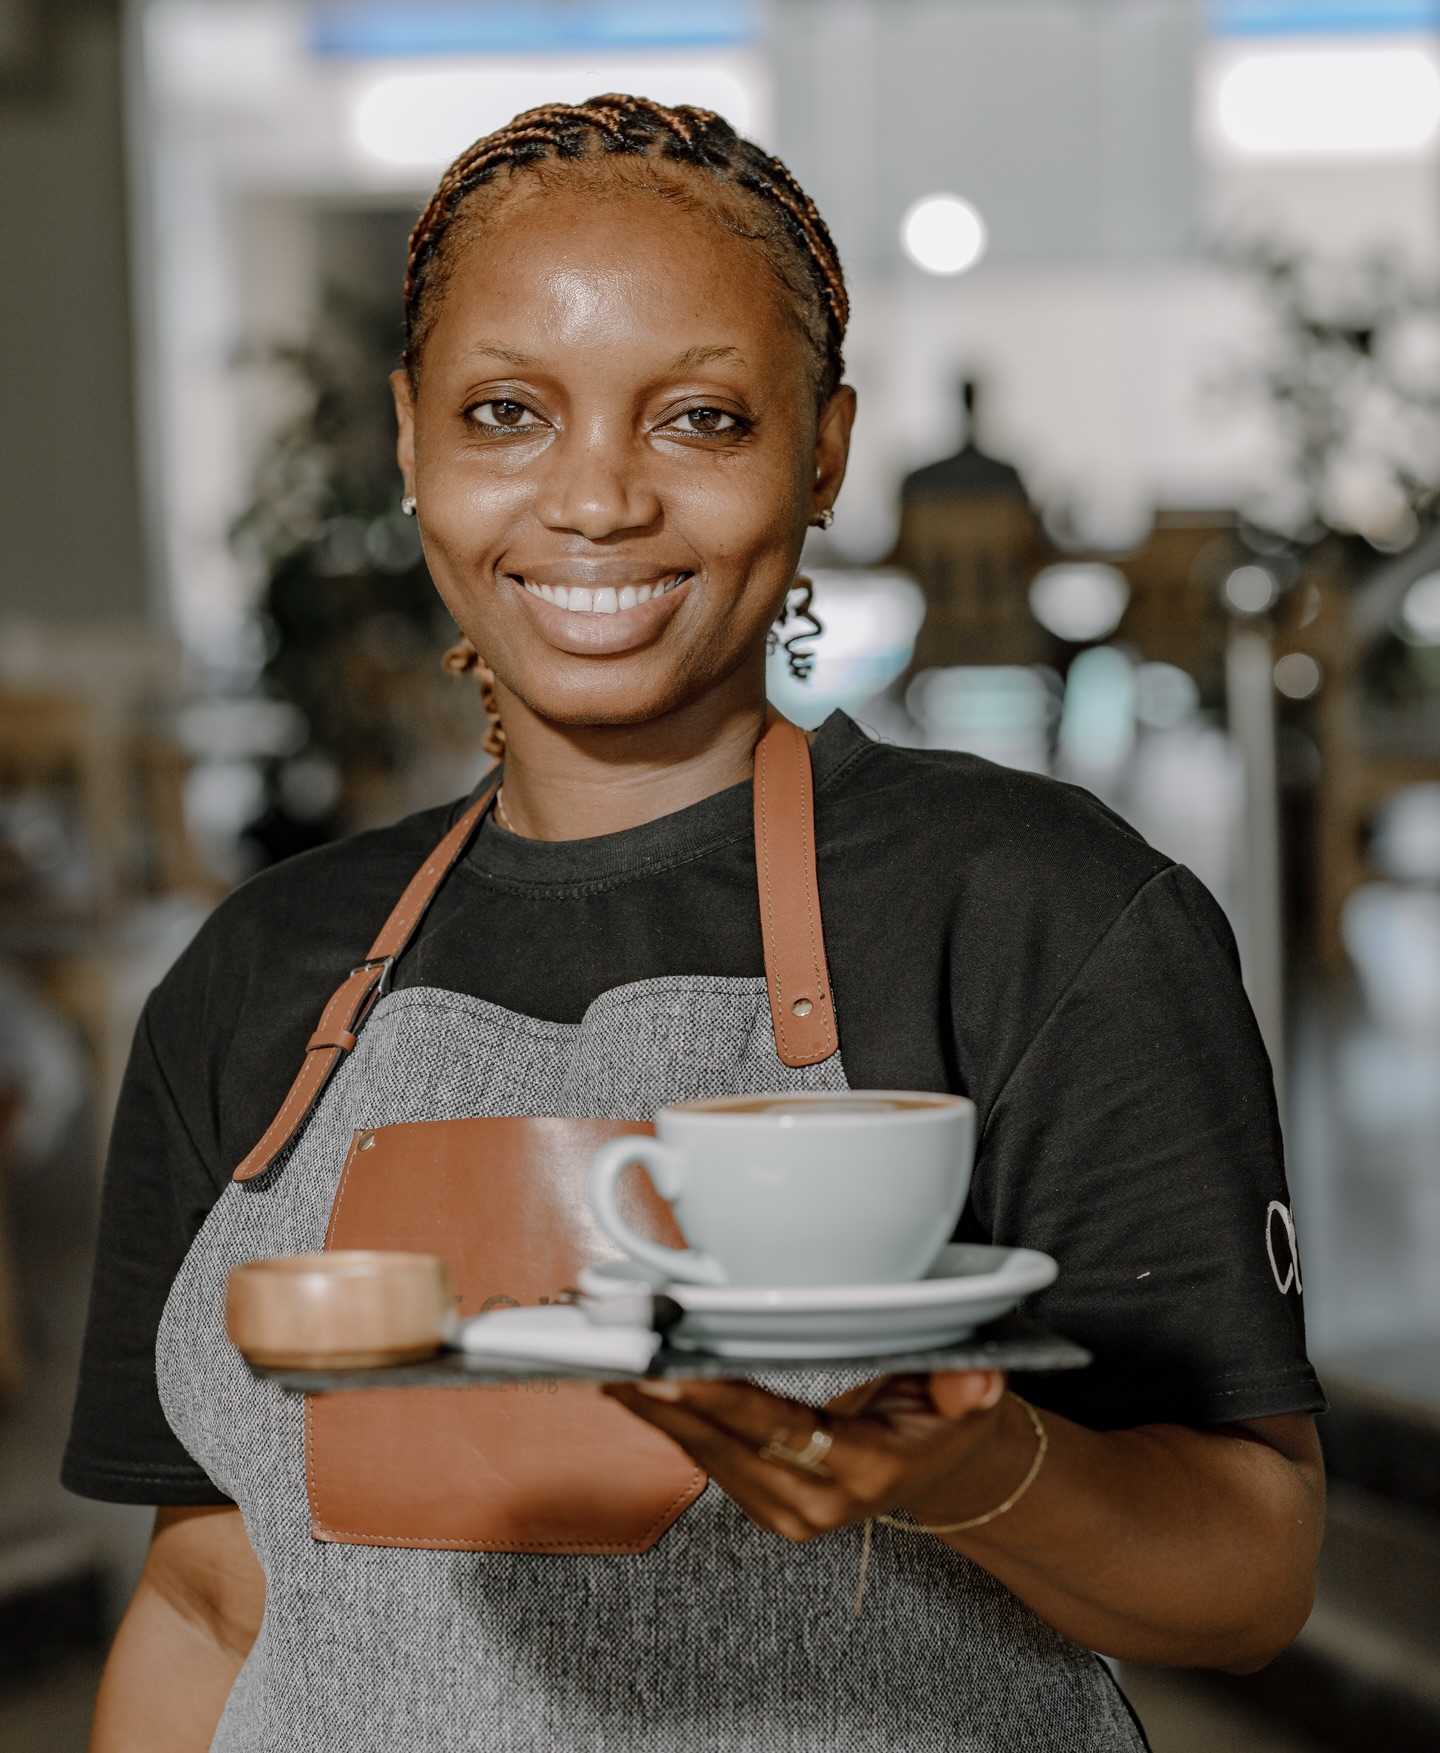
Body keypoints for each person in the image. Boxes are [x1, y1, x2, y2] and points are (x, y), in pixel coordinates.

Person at [66, 96, 1323, 1753]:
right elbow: (209, 1602)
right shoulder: (259, 973)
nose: (594, 502)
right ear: (410, 439)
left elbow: (1249, 1570)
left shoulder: (1036, 911)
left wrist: (985, 1469)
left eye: (702, 419)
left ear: (822, 449)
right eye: (507, 410)